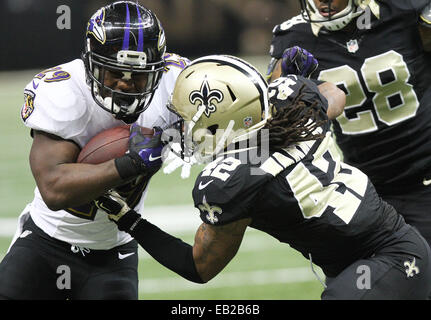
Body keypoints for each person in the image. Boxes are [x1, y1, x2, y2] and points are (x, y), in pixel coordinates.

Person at [94, 55, 431, 299]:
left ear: (221, 120)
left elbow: (200, 266)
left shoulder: (228, 184)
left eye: (188, 118)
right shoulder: (291, 102)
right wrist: (304, 86)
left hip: (387, 258)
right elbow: (334, 95)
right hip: (375, 255)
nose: (182, 128)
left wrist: (129, 220)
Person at [0, 1, 189, 300]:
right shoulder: (65, 90)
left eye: (137, 77)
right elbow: (54, 189)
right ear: (90, 65)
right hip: (46, 242)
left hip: (113, 254)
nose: (124, 86)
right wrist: (131, 163)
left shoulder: (178, 85)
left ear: (158, 72)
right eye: (113, 73)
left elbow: (236, 112)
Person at [267, 0, 431, 248]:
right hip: (366, 188)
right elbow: (277, 116)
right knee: (363, 278)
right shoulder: (293, 37)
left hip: (425, 176)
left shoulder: (404, 10)